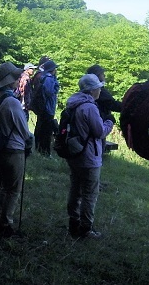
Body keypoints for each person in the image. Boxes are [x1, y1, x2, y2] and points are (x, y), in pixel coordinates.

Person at [65, 74, 114, 239]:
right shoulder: (90, 107)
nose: (100, 89)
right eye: (99, 86)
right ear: (92, 89)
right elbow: (99, 132)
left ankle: (73, 221)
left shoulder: (73, 103)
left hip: (74, 152)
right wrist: (109, 123)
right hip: (89, 156)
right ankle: (85, 228)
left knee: (75, 188)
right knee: (89, 193)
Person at [0, 62, 33, 238]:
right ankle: (6, 224)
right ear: (8, 80)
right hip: (14, 150)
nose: (17, 79)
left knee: (5, 187)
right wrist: (30, 141)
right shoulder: (12, 102)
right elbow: (24, 131)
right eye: (14, 76)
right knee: (14, 189)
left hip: (1, 148)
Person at [33, 59, 59, 155]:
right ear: (52, 69)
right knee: (46, 131)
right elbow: (49, 92)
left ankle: (40, 149)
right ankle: (45, 151)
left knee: (43, 129)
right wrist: (55, 87)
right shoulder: (48, 78)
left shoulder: (45, 77)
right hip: (47, 108)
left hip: (45, 108)